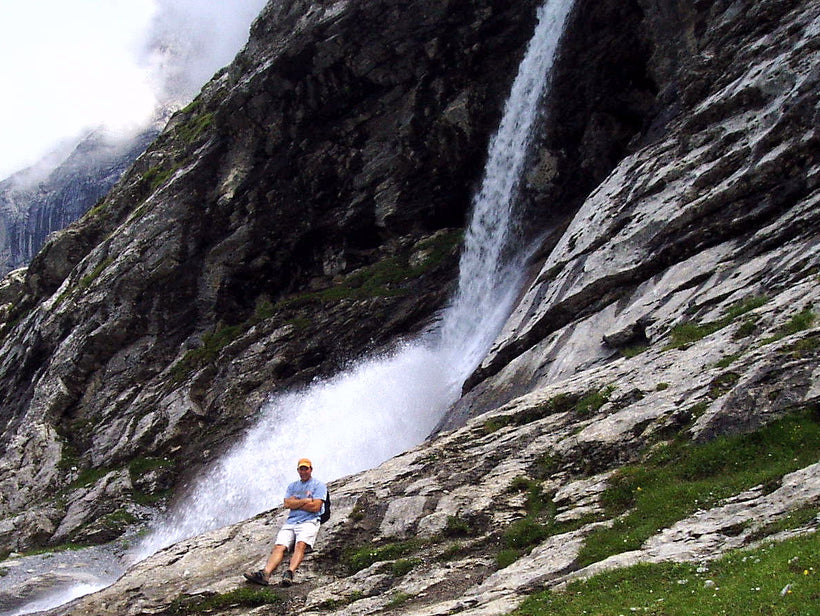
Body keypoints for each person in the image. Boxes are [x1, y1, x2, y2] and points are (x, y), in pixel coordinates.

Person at [244, 458, 327, 587]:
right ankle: (265, 573)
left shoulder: (319, 485)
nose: (303, 471)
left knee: (300, 545)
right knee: (279, 546)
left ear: (311, 469)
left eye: (306, 468)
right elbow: (287, 503)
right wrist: (305, 501)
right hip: (291, 522)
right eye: (301, 468)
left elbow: (316, 507)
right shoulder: (292, 486)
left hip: (309, 521)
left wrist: (296, 503)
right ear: (298, 470)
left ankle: (289, 572)